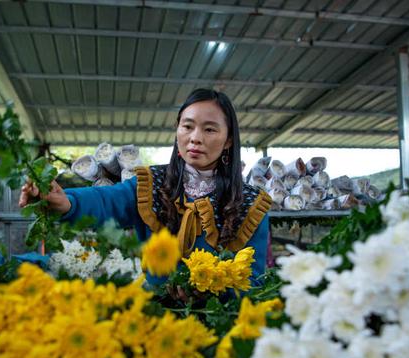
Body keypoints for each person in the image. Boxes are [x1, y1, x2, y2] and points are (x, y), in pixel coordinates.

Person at [19, 88, 272, 298]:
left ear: (228, 140)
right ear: (177, 130)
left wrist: (212, 295)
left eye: (210, 129)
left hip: (218, 328)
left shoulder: (250, 205)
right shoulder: (152, 184)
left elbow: (253, 282)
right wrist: (66, 201)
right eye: (188, 126)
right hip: (153, 316)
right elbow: (107, 201)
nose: (195, 138)